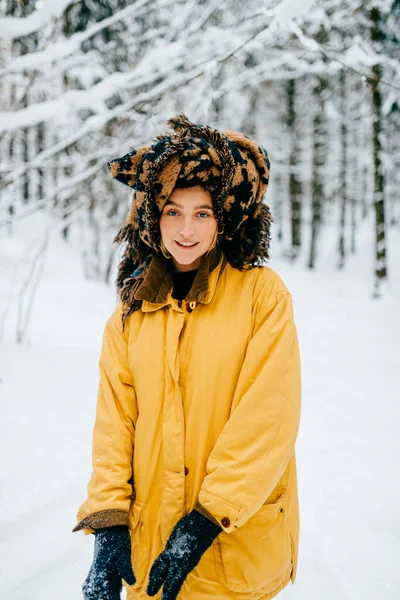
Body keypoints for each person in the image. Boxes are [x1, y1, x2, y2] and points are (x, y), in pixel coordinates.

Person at [73, 114, 301, 600]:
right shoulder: (131, 313)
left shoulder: (262, 296)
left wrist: (207, 517)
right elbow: (115, 422)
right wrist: (110, 523)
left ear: (225, 218)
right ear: (152, 215)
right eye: (173, 211)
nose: (186, 229)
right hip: (151, 548)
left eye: (203, 213)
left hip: (231, 546)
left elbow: (269, 414)